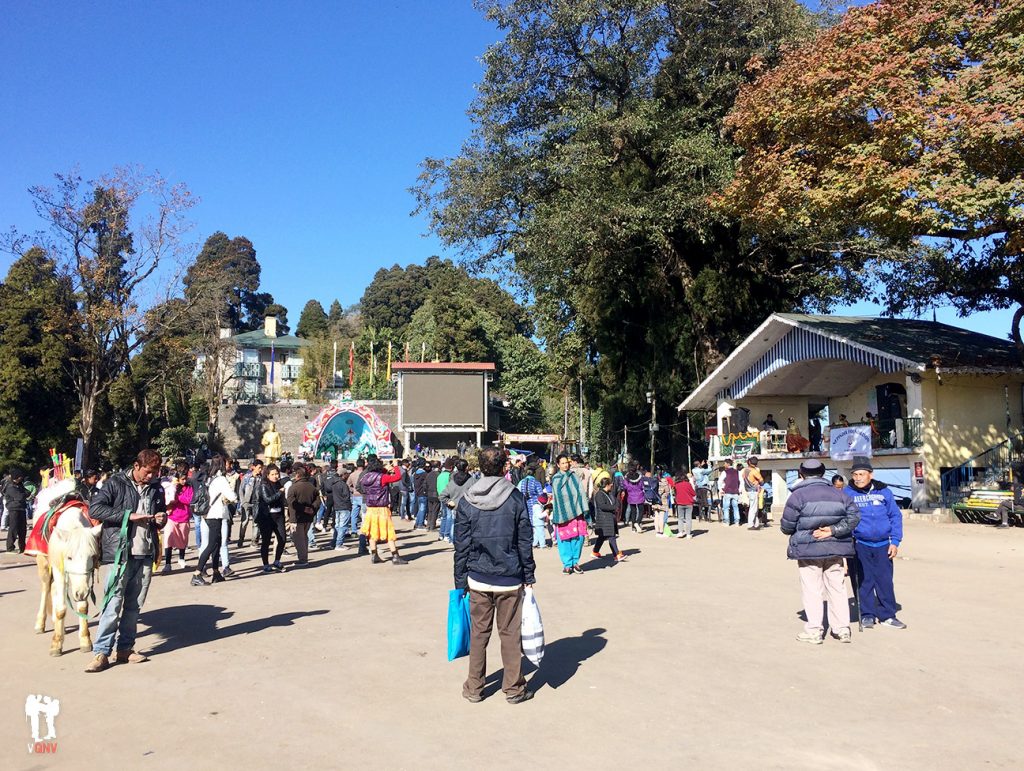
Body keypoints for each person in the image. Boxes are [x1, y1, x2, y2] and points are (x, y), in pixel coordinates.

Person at [454, 446, 536, 704]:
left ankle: (474, 688)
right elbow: (525, 540)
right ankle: (513, 688)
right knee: (510, 634)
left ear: (479, 467)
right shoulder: (515, 498)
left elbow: (461, 544)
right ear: (504, 468)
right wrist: (528, 574)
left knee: (479, 634)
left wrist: (460, 580)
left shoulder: (467, 499)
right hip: (510, 577)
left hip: (478, 577)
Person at [86, 449, 167, 672]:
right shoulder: (115, 483)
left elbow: (160, 514)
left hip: (145, 552)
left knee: (134, 606)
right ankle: (101, 652)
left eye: (155, 472)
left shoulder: (156, 488)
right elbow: (96, 508)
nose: (151, 476)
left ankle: (125, 649)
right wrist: (128, 516)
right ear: (137, 465)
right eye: (148, 471)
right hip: (119, 555)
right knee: (112, 604)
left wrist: (161, 519)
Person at [779, 458, 861, 645]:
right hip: (836, 548)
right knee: (837, 587)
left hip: (808, 550)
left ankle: (815, 630)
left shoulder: (797, 496)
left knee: (812, 590)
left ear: (801, 474)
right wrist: (833, 530)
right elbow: (854, 517)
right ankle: (842, 629)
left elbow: (786, 526)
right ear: (824, 473)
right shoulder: (840, 494)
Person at [844, 457, 906, 629]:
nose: (858, 478)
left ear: (870, 474)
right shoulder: (848, 493)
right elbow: (843, 518)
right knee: (863, 581)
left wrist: (895, 541)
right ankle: (867, 614)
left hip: (883, 545)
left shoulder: (884, 492)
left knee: (884, 580)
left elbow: (895, 516)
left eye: (861, 474)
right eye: (855, 474)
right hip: (859, 544)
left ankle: (887, 615)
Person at [191, 455, 237, 585]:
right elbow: (231, 496)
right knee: (212, 544)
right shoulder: (221, 479)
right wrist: (234, 497)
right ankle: (197, 573)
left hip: (208, 514)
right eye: (227, 464)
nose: (230, 466)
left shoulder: (210, 478)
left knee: (216, 544)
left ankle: (216, 572)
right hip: (215, 514)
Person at [358, 456, 407, 564]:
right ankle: (395, 556)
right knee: (389, 532)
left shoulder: (366, 477)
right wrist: (395, 466)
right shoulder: (383, 477)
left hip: (371, 508)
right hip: (382, 508)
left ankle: (374, 555)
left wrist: (385, 469)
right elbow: (398, 477)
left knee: (372, 532)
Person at [550, 453, 589, 574]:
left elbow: (580, 492)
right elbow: (557, 497)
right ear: (558, 465)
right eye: (562, 463)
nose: (565, 465)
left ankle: (575, 562)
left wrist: (583, 507)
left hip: (577, 512)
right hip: (562, 514)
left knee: (579, 537)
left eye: (566, 462)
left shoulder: (574, 476)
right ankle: (567, 564)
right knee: (564, 539)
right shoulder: (556, 479)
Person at [284, 465, 318, 567]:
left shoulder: (293, 487)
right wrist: (312, 508)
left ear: (297, 475)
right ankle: (304, 557)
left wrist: (303, 509)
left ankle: (303, 559)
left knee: (299, 539)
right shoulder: (312, 487)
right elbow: (318, 500)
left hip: (296, 517)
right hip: (308, 516)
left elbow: (291, 502)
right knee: (304, 537)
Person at [161, 463, 192, 572]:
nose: (184, 481)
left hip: (184, 517)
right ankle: (168, 563)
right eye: (182, 479)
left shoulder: (188, 487)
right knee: (168, 539)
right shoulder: (171, 487)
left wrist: (177, 497)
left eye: (185, 478)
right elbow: (166, 498)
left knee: (183, 539)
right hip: (171, 517)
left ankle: (181, 558)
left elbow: (188, 500)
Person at [256, 464, 287, 571]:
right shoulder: (264, 485)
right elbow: (268, 499)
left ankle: (277, 560)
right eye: (272, 474)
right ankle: (265, 564)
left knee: (282, 538)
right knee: (266, 541)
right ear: (267, 475)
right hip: (267, 516)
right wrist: (279, 493)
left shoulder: (279, 484)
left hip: (279, 516)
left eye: (277, 474)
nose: (275, 476)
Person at [591, 476, 625, 561]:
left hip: (609, 518)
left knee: (602, 537)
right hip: (604, 519)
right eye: (611, 484)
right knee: (611, 537)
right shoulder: (599, 494)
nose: (612, 485)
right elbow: (602, 506)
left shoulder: (609, 493)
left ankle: (595, 552)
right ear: (607, 485)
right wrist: (614, 508)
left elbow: (615, 502)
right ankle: (616, 555)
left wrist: (616, 505)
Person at [440, 459, 474, 546]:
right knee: (467, 526)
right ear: (466, 468)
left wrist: (450, 502)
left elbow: (442, 496)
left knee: (453, 523)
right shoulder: (472, 481)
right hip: (468, 507)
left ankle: (452, 539)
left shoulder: (451, 482)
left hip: (455, 506)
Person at [517, 464, 546, 548]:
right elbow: (541, 494)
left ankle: (530, 541)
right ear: (533, 474)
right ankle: (538, 542)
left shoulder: (521, 482)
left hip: (525, 504)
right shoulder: (536, 482)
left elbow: (518, 492)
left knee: (528, 523)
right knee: (537, 524)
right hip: (535, 505)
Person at [236, 459, 263, 548]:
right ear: (253, 467)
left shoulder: (261, 478)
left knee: (256, 522)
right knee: (244, 522)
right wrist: (243, 501)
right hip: (246, 503)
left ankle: (254, 541)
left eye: (261, 468)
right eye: (259, 467)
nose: (260, 469)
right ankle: (241, 539)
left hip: (257, 503)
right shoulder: (247, 477)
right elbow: (241, 490)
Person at [2, 467, 30, 553]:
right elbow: (20, 496)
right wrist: (24, 495)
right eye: (19, 477)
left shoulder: (20, 484)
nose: (20, 478)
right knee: (13, 528)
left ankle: (22, 547)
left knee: (23, 529)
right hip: (13, 508)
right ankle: (10, 547)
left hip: (21, 508)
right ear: (15, 477)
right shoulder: (10, 486)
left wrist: (24, 494)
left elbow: (27, 492)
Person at [330, 467, 353, 549]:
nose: (348, 475)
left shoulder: (334, 484)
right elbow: (347, 497)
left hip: (337, 507)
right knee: (343, 526)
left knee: (337, 525)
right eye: (347, 474)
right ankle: (339, 544)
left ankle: (334, 542)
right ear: (343, 475)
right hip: (344, 507)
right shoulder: (343, 485)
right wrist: (350, 506)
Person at [621, 463, 646, 533]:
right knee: (641, 510)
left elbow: (625, 486)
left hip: (631, 496)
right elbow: (642, 486)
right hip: (640, 496)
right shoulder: (640, 477)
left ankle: (633, 527)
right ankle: (637, 522)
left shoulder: (626, 478)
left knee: (633, 511)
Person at [742, 457, 764, 530]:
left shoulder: (745, 470)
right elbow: (762, 482)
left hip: (748, 490)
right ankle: (750, 524)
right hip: (753, 491)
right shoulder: (754, 471)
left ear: (749, 462)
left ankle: (756, 524)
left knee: (754, 508)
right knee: (753, 509)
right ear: (756, 463)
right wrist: (757, 482)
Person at [673, 469, 696, 539]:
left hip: (679, 503)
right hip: (689, 503)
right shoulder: (688, 484)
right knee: (688, 519)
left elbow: (674, 493)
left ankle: (680, 532)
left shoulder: (676, 485)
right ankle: (688, 534)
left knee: (680, 518)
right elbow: (693, 493)